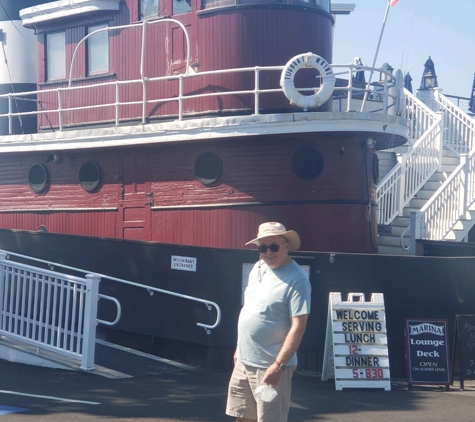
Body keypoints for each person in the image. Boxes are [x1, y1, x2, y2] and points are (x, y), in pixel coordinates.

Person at [226, 222, 312, 422]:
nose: (268, 253)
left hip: (271, 365)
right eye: (262, 248)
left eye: (273, 246)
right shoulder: (258, 267)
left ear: (286, 245)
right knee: (242, 417)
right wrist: (239, 349)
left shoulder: (297, 279)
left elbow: (298, 326)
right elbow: (250, 308)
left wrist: (278, 365)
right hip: (245, 360)